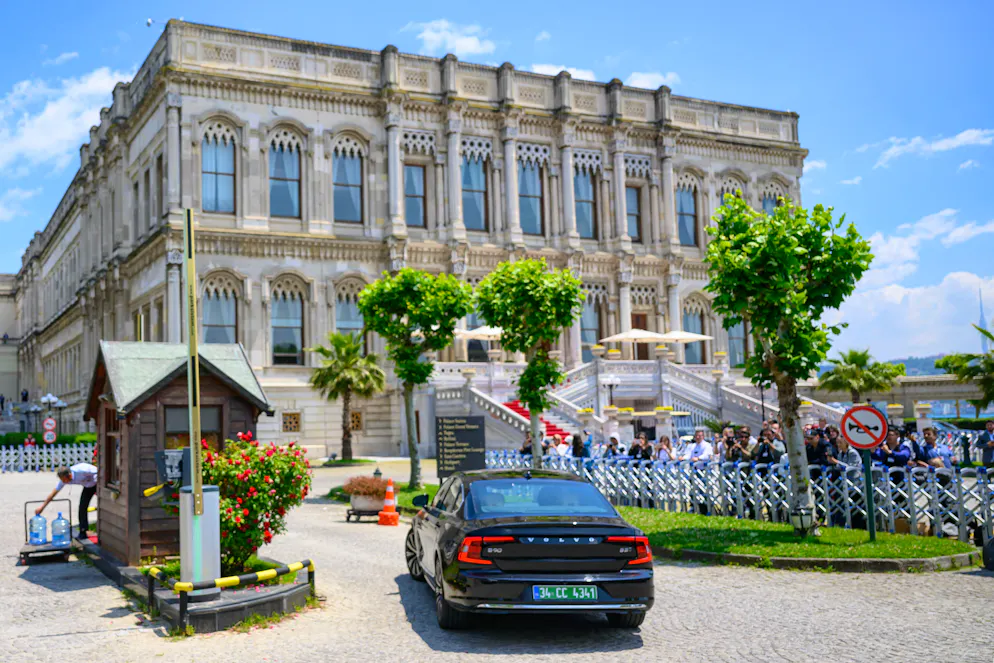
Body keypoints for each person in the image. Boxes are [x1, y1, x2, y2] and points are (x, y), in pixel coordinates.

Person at [36, 463, 97, 540]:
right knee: (82, 507)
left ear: (70, 475)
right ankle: (83, 531)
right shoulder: (64, 480)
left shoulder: (81, 470)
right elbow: (53, 493)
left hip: (98, 482)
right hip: (88, 486)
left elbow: (99, 471)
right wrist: (42, 507)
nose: (64, 482)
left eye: (64, 480)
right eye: (62, 480)